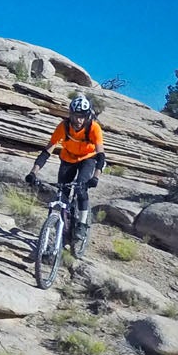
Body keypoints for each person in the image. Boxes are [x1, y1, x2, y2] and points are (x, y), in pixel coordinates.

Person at [27, 93, 105, 251]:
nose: (79, 120)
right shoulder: (63, 127)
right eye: (76, 116)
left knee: (81, 189)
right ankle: (61, 231)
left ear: (88, 115)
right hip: (68, 159)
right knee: (62, 195)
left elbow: (101, 155)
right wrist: (33, 172)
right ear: (70, 114)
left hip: (87, 159)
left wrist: (95, 177)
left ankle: (82, 224)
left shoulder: (93, 128)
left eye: (82, 116)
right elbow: (47, 151)